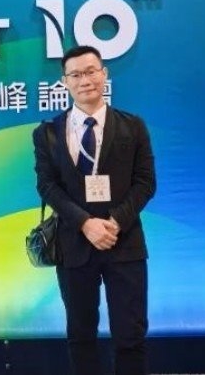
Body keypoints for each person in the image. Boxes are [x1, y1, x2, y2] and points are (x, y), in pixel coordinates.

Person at [32, 45, 156, 375]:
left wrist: (115, 222)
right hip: (74, 246)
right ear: (64, 82)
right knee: (81, 335)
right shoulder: (47, 133)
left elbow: (145, 183)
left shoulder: (133, 126)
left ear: (104, 74)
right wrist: (86, 223)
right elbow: (47, 186)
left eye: (91, 71)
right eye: (75, 74)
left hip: (124, 243)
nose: (84, 80)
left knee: (130, 336)